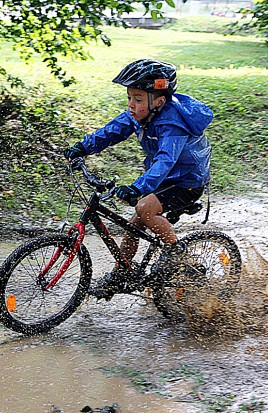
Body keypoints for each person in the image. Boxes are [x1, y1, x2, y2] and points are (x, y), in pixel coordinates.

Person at [63, 59, 213, 299]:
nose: (131, 105)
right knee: (134, 224)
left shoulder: (172, 124)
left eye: (138, 99)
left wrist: (137, 187)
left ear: (159, 101)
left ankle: (176, 253)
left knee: (144, 208)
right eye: (129, 97)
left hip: (187, 182)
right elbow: (111, 131)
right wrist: (82, 148)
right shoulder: (141, 114)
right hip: (165, 179)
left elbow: (165, 160)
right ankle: (121, 273)